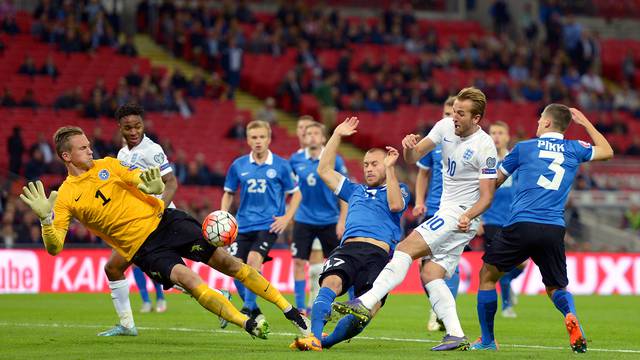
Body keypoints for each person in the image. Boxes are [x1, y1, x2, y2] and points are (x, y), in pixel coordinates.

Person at [19, 126, 310, 340]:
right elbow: (55, 247)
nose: (90, 149)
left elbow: (138, 178)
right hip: (144, 250)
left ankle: (290, 311)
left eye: (89, 144)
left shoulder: (107, 164)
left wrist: (152, 186)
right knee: (190, 281)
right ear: (66, 155)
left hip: (166, 222)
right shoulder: (66, 196)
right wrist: (46, 218)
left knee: (230, 264)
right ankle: (246, 323)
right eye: (83, 148)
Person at [334, 87, 498, 351]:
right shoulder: (444, 126)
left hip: (459, 214)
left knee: (405, 248)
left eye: (461, 113)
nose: (454, 117)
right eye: (454, 110)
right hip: (450, 212)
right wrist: (408, 148)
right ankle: (455, 335)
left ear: (476, 118)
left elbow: (487, 196)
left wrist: (468, 214)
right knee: (431, 274)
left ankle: (366, 302)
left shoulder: (485, 146)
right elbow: (414, 157)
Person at [471, 105, 613, 353]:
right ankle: (569, 314)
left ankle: (487, 341)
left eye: (540, 119)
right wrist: (586, 123)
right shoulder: (575, 148)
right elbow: (607, 151)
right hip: (554, 228)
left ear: (547, 123)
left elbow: (495, 183)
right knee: (556, 287)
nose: (537, 123)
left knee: (487, 276)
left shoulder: (524, 148)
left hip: (521, 224)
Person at [290, 117, 410, 351]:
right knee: (330, 282)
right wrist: (336, 135)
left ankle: (326, 341)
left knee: (367, 310)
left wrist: (391, 168)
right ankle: (314, 337)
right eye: (366, 164)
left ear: (385, 165)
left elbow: (396, 206)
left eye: (375, 164)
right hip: (349, 249)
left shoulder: (399, 188)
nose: (369, 169)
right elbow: (324, 169)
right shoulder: (354, 190)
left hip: (379, 256)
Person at [221, 120, 302, 324]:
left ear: (269, 139)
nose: (258, 141)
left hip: (269, 224)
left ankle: (247, 308)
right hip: (243, 223)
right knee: (235, 266)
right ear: (248, 140)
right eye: (254, 137)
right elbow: (228, 193)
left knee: (254, 260)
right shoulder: (238, 165)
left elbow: (297, 194)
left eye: (262, 137)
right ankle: (255, 309)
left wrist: (286, 217)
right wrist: (224, 215)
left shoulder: (281, 165)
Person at [115, 103, 178, 315]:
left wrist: (159, 210)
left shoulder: (152, 150)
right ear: (120, 128)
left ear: (143, 126)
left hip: (157, 216)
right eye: (128, 127)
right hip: (136, 217)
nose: (134, 132)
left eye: (138, 126)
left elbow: (171, 181)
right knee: (137, 262)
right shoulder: (122, 154)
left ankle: (159, 298)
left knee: (158, 265)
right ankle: (146, 301)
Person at [289, 121, 348, 314]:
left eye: (316, 133)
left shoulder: (334, 160)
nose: (312, 136)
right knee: (298, 262)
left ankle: (343, 302)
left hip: (329, 220)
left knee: (336, 263)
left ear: (323, 138)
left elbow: (344, 192)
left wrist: (342, 220)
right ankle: (299, 307)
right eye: (308, 133)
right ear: (304, 138)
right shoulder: (295, 160)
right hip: (303, 219)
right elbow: (291, 189)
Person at [412, 96, 459, 332]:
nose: (451, 118)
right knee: (425, 263)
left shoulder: (468, 141)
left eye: (455, 113)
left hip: (456, 208)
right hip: (433, 208)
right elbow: (423, 174)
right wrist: (419, 201)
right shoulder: (436, 140)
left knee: (452, 262)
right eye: (447, 113)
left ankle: (445, 313)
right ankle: (436, 307)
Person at [478, 121, 527, 319]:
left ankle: (508, 288)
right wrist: (478, 217)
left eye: (500, 133)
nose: (496, 136)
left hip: (514, 219)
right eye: (493, 133)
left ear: (507, 137)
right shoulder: (485, 161)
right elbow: (477, 191)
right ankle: (506, 305)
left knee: (522, 264)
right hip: (491, 220)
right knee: (502, 264)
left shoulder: (514, 160)